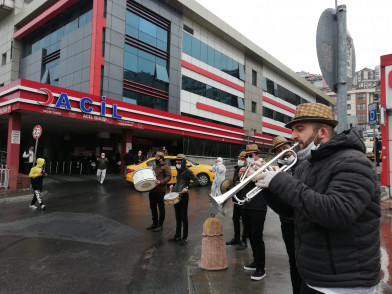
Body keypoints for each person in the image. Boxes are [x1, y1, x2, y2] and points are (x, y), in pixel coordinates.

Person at [255, 103, 381, 293]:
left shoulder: (353, 161)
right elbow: (292, 210)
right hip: (315, 275)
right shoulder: (307, 165)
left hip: (345, 282)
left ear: (321, 132)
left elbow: (337, 213)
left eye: (299, 129)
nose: (293, 136)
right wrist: (267, 186)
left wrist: (281, 181)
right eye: (292, 130)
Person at [265, 136, 302, 294]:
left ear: (291, 147)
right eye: (278, 151)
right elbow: (279, 203)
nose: (283, 153)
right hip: (286, 222)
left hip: (302, 221)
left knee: (305, 263)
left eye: (284, 148)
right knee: (293, 262)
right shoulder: (276, 169)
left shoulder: (303, 164)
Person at [240, 144, 268, 281]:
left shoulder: (263, 165)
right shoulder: (247, 168)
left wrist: (252, 175)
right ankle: (256, 261)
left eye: (250, 155)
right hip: (246, 204)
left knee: (257, 236)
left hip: (258, 206)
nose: (248, 158)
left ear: (257, 155)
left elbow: (266, 180)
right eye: (247, 156)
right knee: (250, 235)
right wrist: (241, 175)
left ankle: (261, 268)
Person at [168, 154, 199, 246]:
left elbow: (196, 181)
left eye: (179, 162)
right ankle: (177, 236)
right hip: (176, 196)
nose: (177, 164)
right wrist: (173, 186)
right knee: (178, 217)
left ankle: (184, 238)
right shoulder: (179, 171)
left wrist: (187, 187)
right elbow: (179, 182)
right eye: (176, 162)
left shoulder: (188, 171)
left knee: (184, 218)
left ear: (183, 162)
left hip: (184, 197)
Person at [226, 151, 248, 250]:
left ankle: (244, 241)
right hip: (236, 198)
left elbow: (244, 185)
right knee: (235, 219)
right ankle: (236, 238)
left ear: (246, 160)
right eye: (239, 158)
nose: (240, 160)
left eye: (242, 159)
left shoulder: (248, 170)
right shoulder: (237, 169)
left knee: (244, 221)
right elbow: (235, 182)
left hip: (244, 199)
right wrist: (230, 187)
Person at [146, 151, 171, 232]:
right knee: (152, 207)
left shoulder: (166, 166)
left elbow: (169, 177)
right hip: (152, 189)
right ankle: (154, 223)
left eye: (156, 157)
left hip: (160, 190)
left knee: (161, 208)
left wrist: (161, 182)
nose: (155, 158)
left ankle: (160, 225)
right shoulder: (155, 166)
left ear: (160, 158)